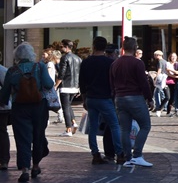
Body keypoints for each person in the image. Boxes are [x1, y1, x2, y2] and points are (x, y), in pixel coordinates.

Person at [0, 42, 55, 183]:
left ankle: (25, 169)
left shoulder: (12, 71)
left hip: (20, 107)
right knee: (38, 134)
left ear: (16, 56)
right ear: (31, 54)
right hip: (39, 106)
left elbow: (4, 93)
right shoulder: (40, 66)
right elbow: (49, 84)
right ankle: (35, 166)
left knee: (22, 138)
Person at [111, 36, 153, 168]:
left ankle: (127, 157)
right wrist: (149, 98)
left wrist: (115, 96)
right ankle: (137, 155)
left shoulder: (115, 63)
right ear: (135, 48)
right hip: (135, 97)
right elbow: (143, 83)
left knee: (124, 129)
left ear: (123, 48)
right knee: (145, 125)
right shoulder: (137, 63)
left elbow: (111, 83)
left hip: (119, 98)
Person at [79, 35, 121, 165]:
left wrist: (84, 99)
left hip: (91, 98)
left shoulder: (86, 62)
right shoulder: (109, 63)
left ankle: (95, 153)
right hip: (105, 98)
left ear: (94, 46)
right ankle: (119, 154)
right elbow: (114, 81)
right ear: (105, 48)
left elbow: (82, 82)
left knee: (93, 127)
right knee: (114, 125)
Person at [57, 39, 82, 137]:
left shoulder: (65, 58)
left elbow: (61, 73)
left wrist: (56, 85)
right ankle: (73, 122)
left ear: (66, 47)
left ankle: (68, 129)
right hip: (75, 86)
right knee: (68, 105)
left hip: (66, 86)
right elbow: (80, 74)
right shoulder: (78, 58)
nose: (61, 48)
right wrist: (79, 86)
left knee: (65, 108)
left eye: (62, 46)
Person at [0, 60, 9, 170]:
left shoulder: (2, 70)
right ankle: (3, 160)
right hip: (3, 106)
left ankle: (4, 160)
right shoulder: (3, 70)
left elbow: (7, 88)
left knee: (2, 132)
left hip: (2, 107)